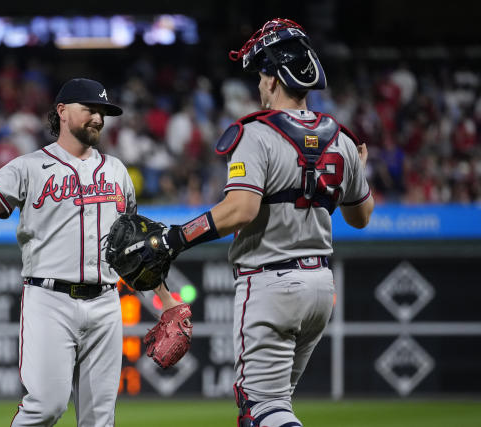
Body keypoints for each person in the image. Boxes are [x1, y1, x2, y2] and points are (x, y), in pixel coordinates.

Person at [0, 78, 181, 427]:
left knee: (100, 420)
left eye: (103, 112)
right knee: (45, 407)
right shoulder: (29, 167)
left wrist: (166, 299)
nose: (98, 118)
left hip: (106, 302)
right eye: (90, 110)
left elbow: (136, 250)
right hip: (50, 299)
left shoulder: (117, 171)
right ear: (63, 112)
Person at [152, 19, 374, 427]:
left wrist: (175, 238)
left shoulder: (256, 133)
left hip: (270, 283)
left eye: (260, 75)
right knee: (274, 406)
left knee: (262, 410)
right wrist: (356, 172)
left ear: (273, 79)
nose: (258, 84)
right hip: (320, 290)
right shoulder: (341, 139)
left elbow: (241, 210)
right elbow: (361, 217)